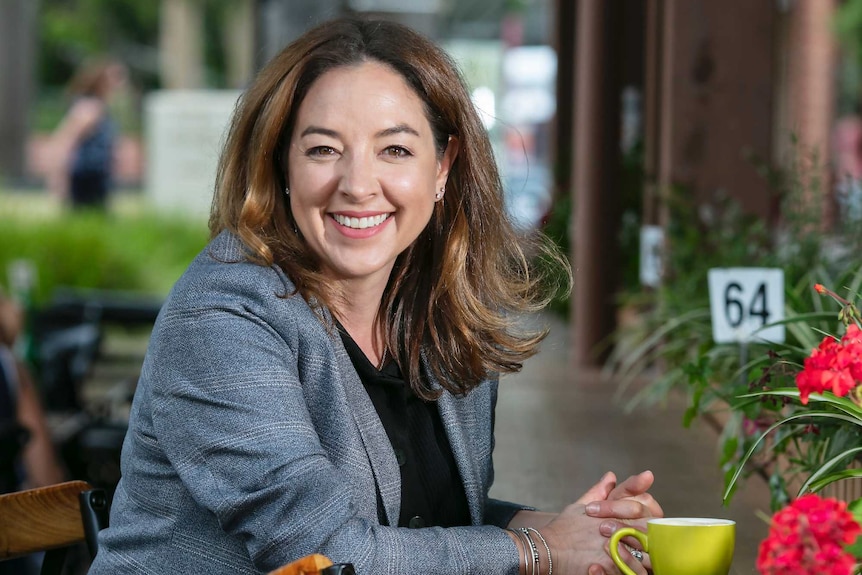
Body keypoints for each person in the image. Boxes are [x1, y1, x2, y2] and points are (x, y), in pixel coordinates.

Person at [89, 17, 662, 575]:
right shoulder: (224, 317)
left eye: (394, 150)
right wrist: (540, 551)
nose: (358, 184)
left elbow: (412, 522)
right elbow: (326, 553)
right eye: (322, 149)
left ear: (443, 167)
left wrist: (582, 529)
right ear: (281, 163)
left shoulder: (435, 311)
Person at [47, 58, 126, 210]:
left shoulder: (103, 109)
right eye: (116, 77)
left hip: (98, 176)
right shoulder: (90, 109)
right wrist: (58, 176)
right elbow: (65, 142)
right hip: (86, 177)